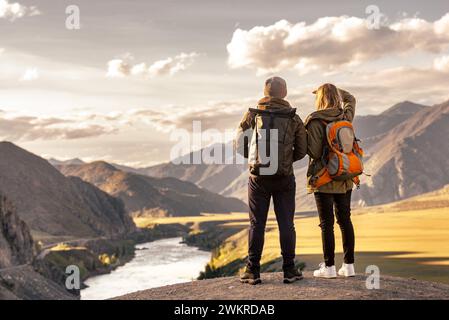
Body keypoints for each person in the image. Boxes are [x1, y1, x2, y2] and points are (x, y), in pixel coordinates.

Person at [235, 76, 307, 285]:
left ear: (265, 92)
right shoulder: (293, 117)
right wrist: (284, 161)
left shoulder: (252, 115)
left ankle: (252, 271)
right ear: (284, 93)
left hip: (258, 178)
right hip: (284, 177)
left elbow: (239, 145)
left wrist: (254, 160)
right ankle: (290, 270)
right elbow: (302, 150)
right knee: (286, 224)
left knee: (257, 224)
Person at [305, 83, 357, 279]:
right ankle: (349, 266)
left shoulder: (315, 120)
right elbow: (351, 98)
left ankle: (329, 268)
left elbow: (316, 152)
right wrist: (339, 91)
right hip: (345, 176)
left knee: (326, 224)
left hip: (324, 179)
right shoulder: (345, 116)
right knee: (345, 220)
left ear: (319, 99)